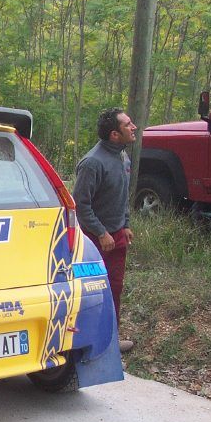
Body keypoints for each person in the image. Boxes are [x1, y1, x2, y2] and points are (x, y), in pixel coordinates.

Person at [73, 108, 136, 353]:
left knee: (114, 289)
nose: (134, 127)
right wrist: (100, 232)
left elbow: (122, 196)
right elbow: (80, 205)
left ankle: (110, 340)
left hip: (117, 236)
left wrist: (126, 224)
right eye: (128, 125)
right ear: (114, 134)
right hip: (93, 241)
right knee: (90, 291)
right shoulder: (92, 163)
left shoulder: (123, 157)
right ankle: (82, 342)